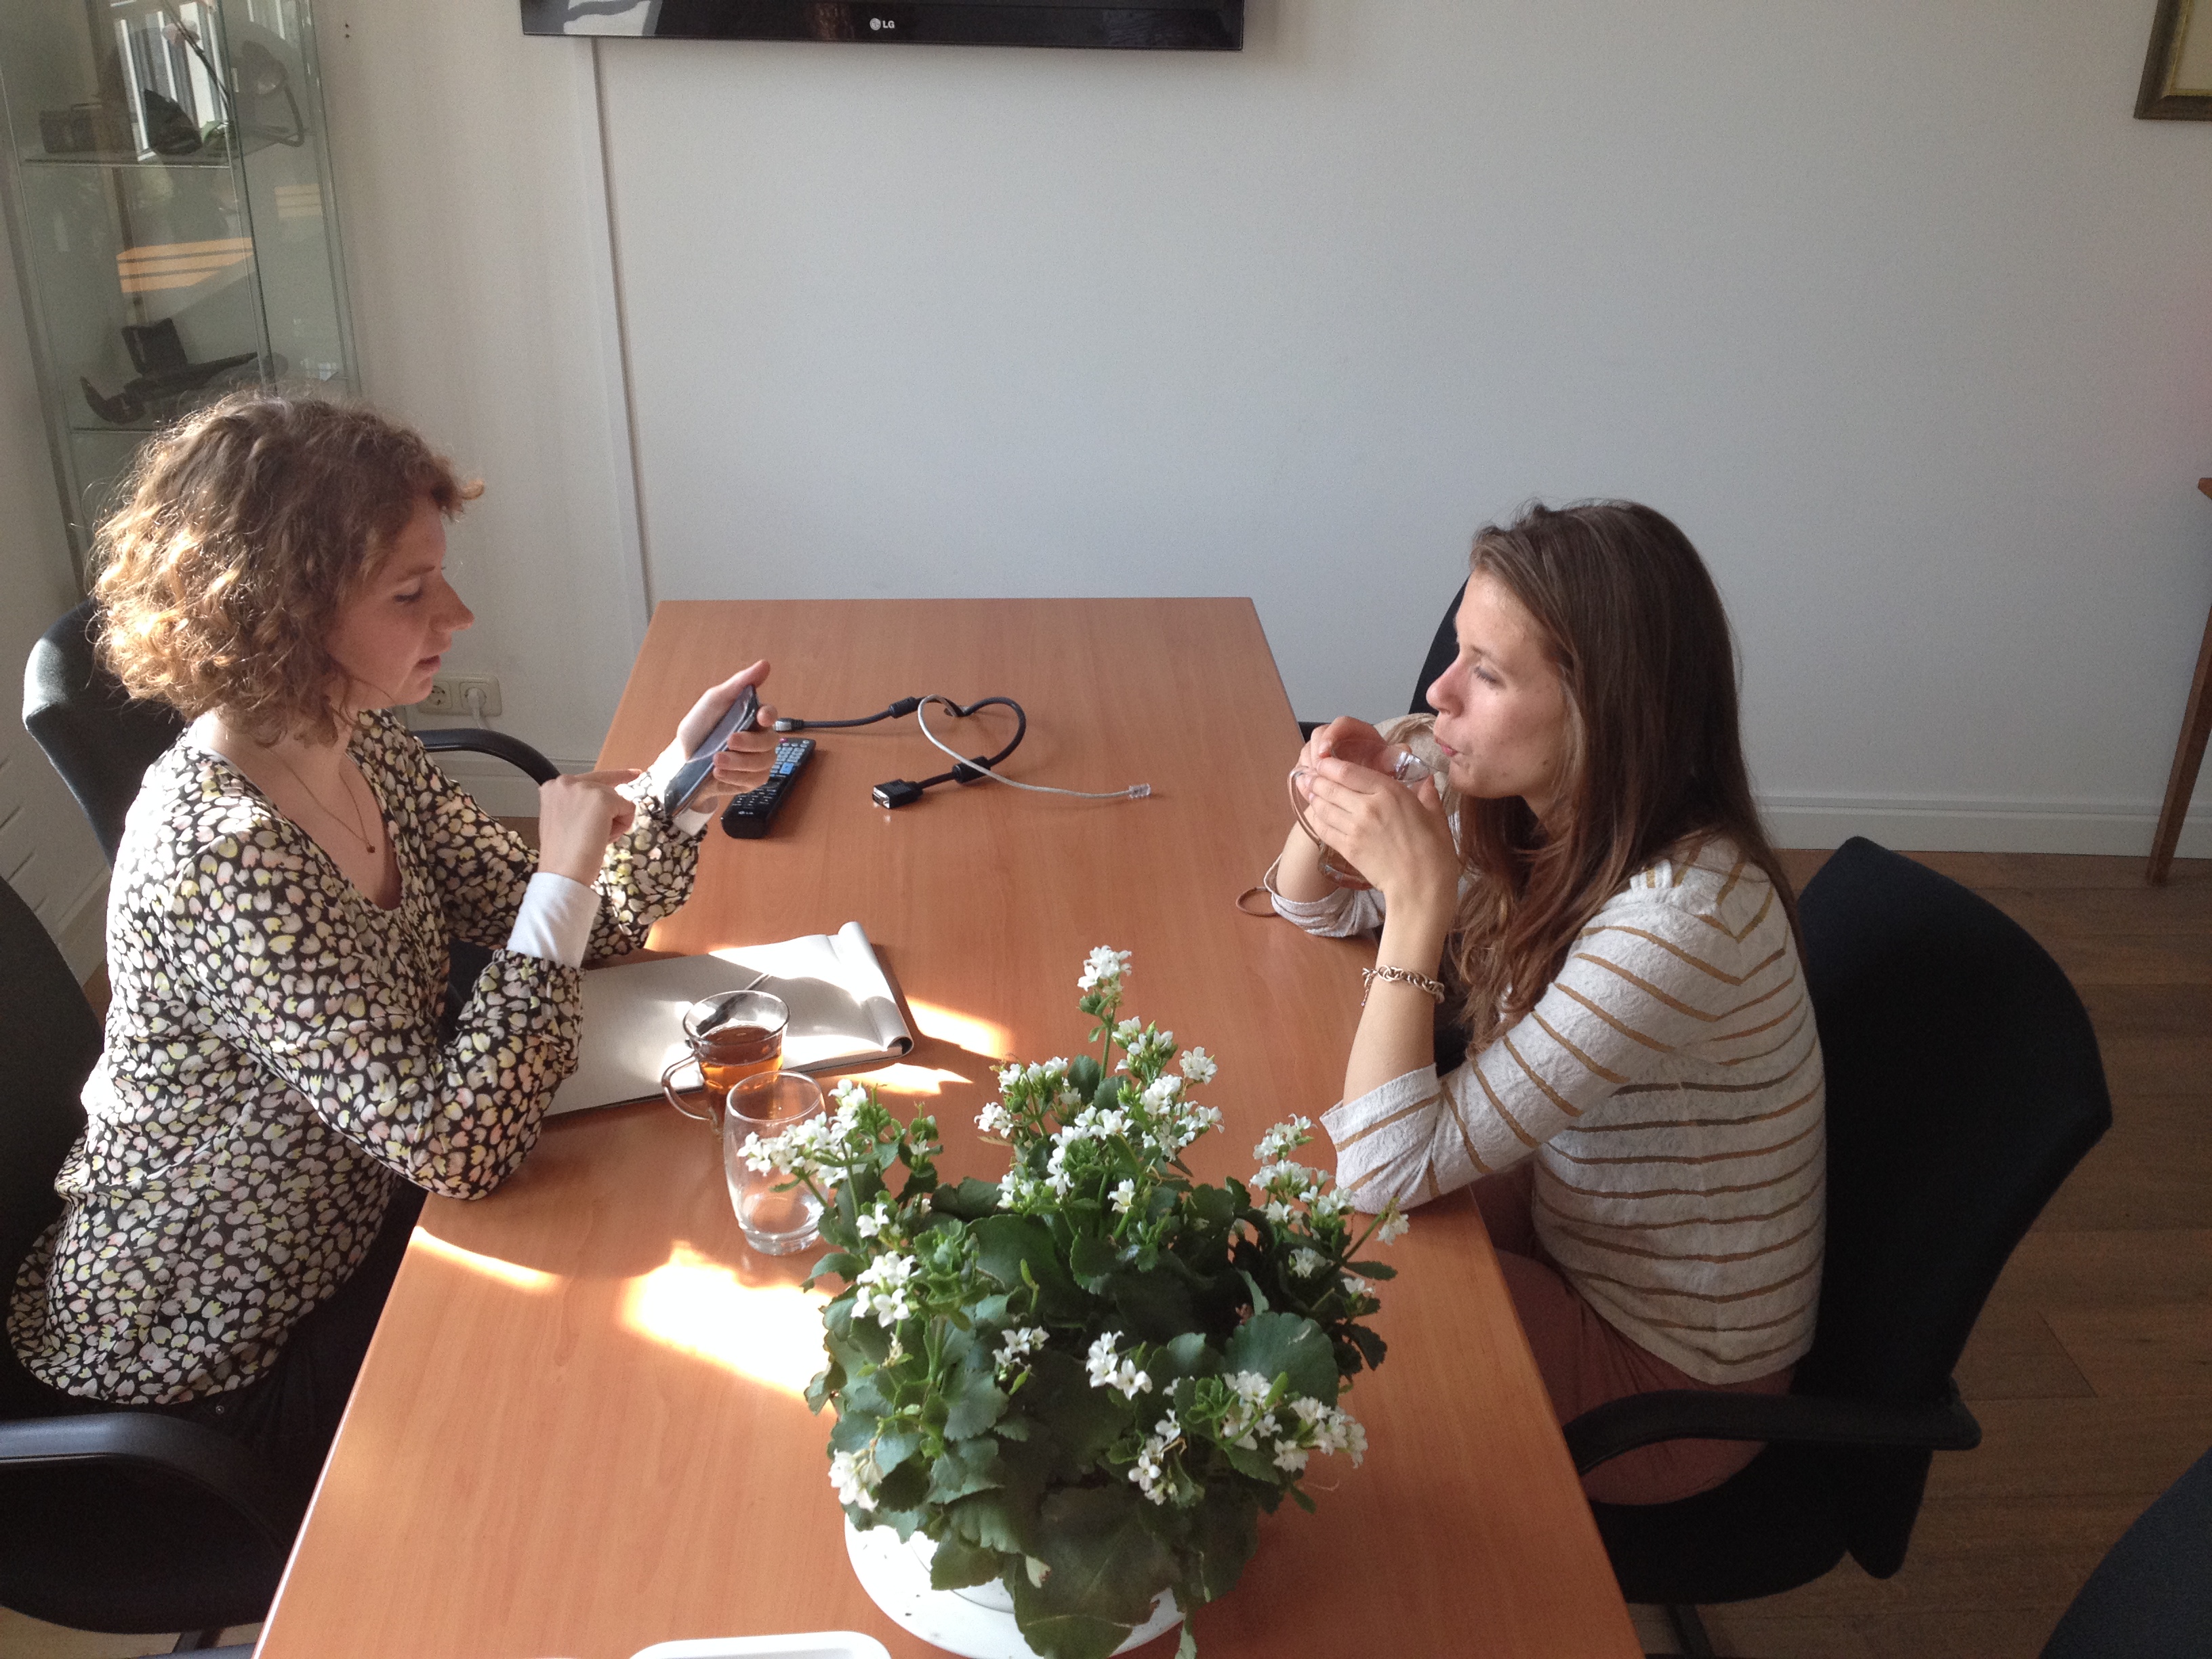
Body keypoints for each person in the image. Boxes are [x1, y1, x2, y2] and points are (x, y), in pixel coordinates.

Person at [4, 392, 777, 1502]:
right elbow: (460, 1147)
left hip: (352, 1229)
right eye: (410, 594)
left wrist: (677, 793)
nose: (456, 615)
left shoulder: (352, 740)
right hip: (206, 1364)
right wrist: (563, 875)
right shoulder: (222, 856)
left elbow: (572, 935)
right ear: (280, 615)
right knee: (602, 1434)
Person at [1271, 499, 1824, 1506]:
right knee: (1279, 1212)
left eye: (1486, 673)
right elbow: (1311, 908)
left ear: (1600, 711)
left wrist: (1420, 902)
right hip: (1568, 1220)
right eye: (1458, 652)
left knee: (1314, 1302)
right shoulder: (1551, 813)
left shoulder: (1681, 918)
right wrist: (1331, 797)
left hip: (1668, 1380)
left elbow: (1381, 1168)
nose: (1437, 692)